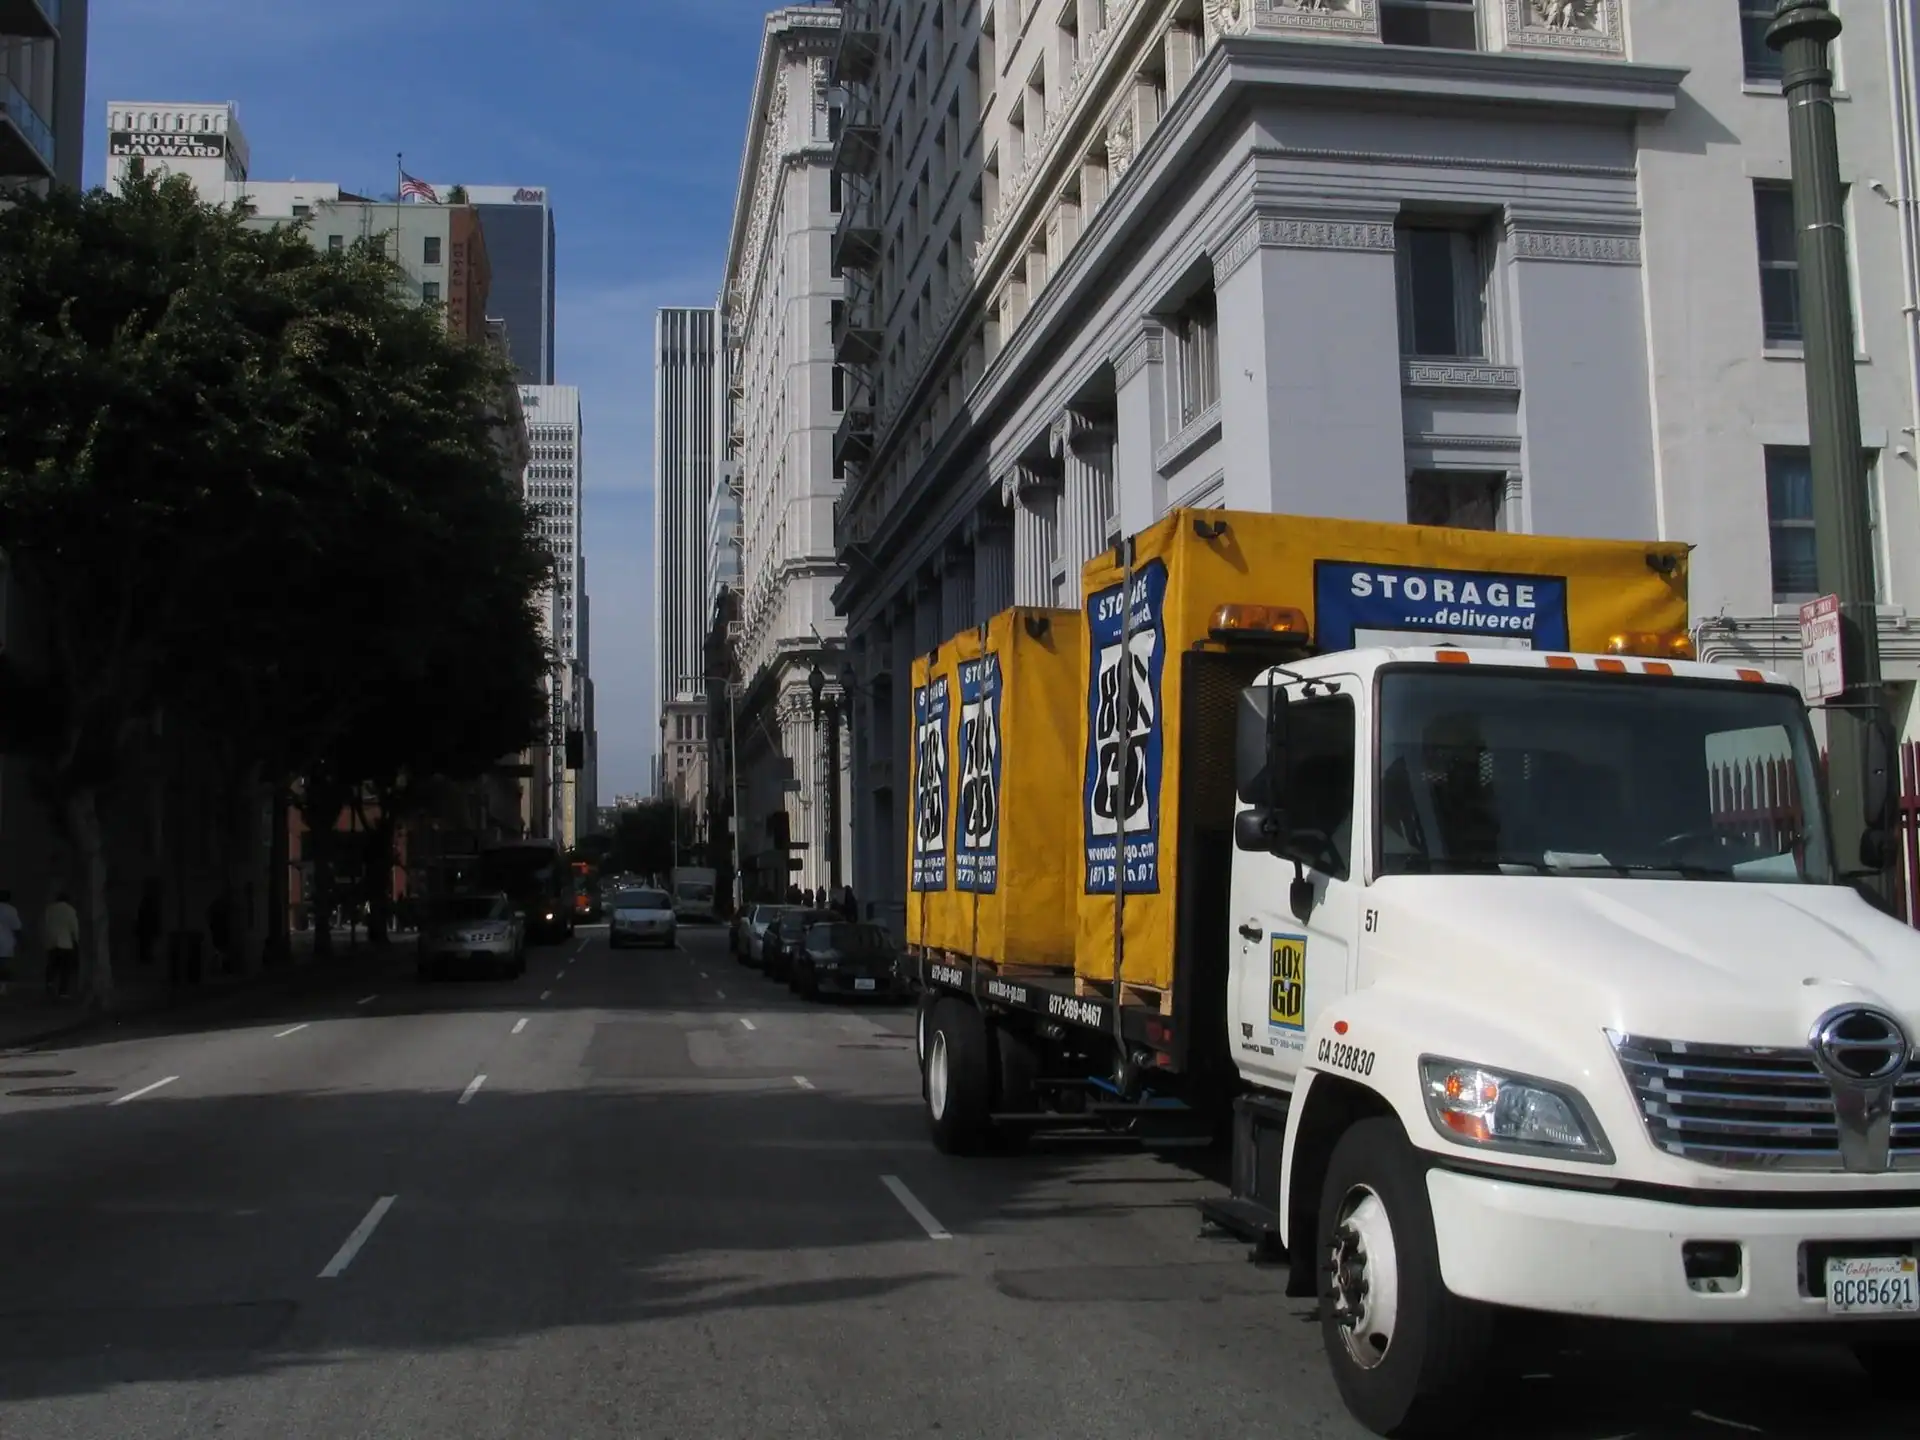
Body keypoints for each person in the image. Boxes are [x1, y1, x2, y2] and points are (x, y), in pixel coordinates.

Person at [42, 889, 80, 1000]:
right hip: (65, 942)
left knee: (52, 965)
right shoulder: (70, 910)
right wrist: (76, 940)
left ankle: (50, 983)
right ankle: (63, 991)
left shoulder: (50, 909)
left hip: (52, 941)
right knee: (65, 968)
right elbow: (74, 927)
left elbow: (46, 924)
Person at [0, 887, 21, 996]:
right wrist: (21, 940)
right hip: (6, 941)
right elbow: (16, 927)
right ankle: (2, 987)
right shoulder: (11, 910)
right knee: (3, 964)